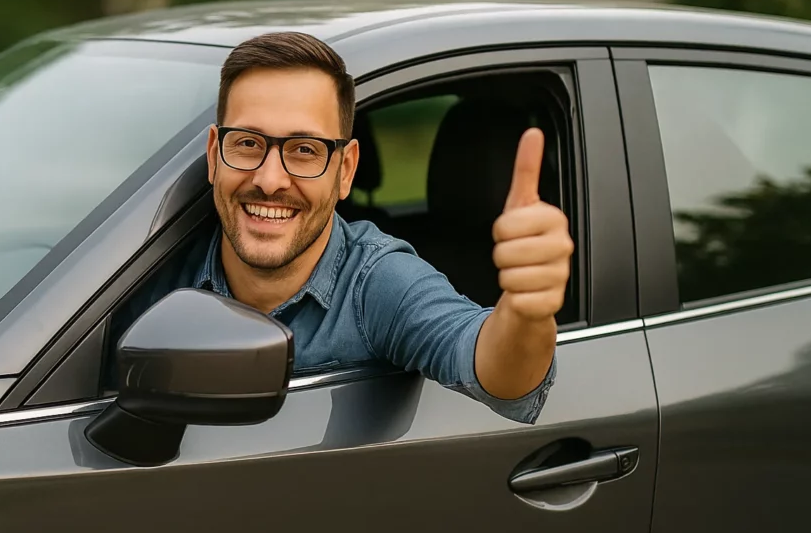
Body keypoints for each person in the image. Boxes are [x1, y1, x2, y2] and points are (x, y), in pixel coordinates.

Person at [121, 32, 574, 424]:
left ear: (345, 170)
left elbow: (496, 373)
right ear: (215, 152)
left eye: (304, 150)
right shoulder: (141, 274)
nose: (270, 179)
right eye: (247, 143)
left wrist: (525, 312)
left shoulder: (377, 282)